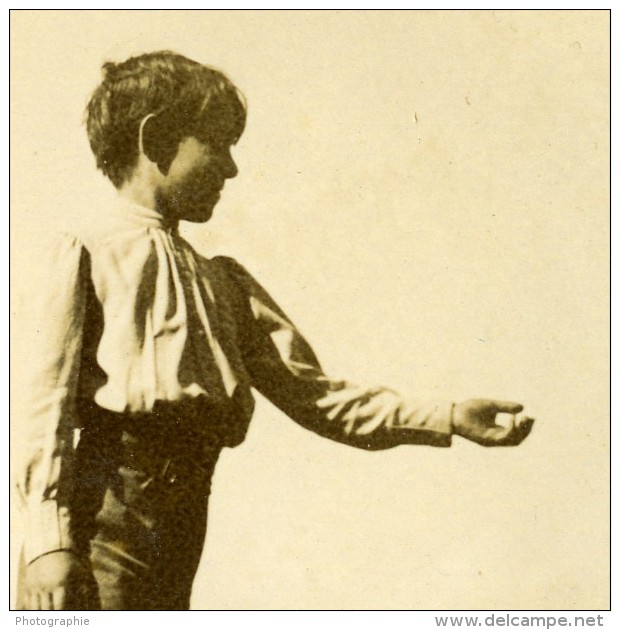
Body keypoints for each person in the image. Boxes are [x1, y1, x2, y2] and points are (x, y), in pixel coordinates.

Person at [15, 50, 534, 611]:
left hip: (184, 525)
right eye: (218, 143)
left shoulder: (225, 284)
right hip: (103, 524)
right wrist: (48, 544)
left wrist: (448, 415)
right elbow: (42, 410)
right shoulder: (88, 252)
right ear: (158, 138)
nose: (232, 168)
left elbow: (316, 396)